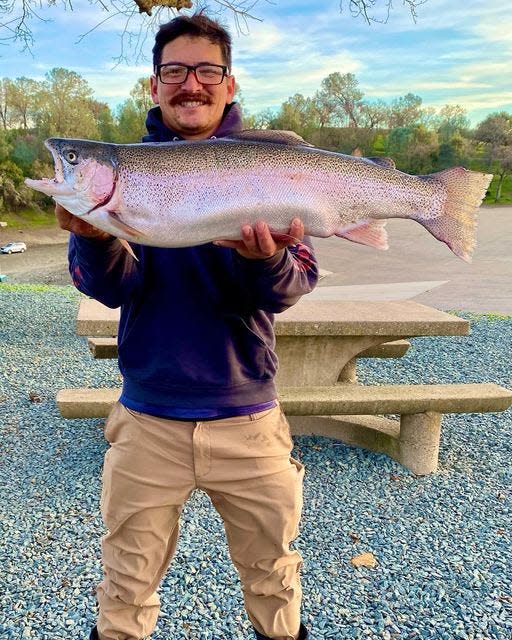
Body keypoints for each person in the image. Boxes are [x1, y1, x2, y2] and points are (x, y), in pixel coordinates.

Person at [56, 13, 318, 640]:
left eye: (206, 71)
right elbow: (111, 288)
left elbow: (293, 286)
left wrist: (270, 259)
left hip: (249, 419)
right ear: (154, 87)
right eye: (174, 72)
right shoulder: (127, 174)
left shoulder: (273, 162)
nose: (190, 84)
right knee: (124, 584)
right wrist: (96, 241)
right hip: (147, 420)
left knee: (274, 578)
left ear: (230, 86)